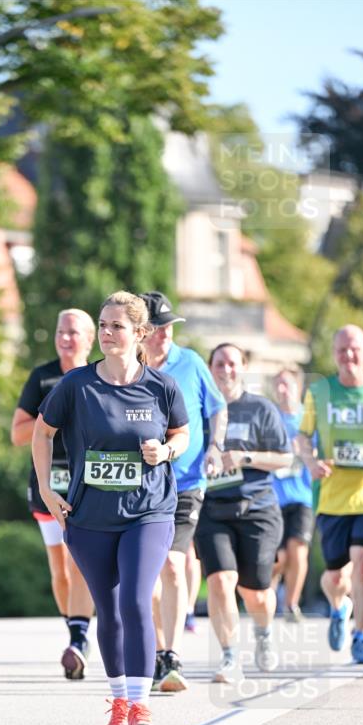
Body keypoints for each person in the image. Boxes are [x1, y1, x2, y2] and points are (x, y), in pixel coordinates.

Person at [32, 291, 189, 725]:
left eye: (116, 326)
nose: (106, 333)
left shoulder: (161, 386)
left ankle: (141, 708)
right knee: (109, 610)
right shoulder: (78, 385)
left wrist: (165, 451)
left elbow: (182, 433)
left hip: (149, 511)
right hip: (90, 517)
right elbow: (42, 434)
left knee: (136, 600)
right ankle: (119, 704)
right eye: (102, 325)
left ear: (140, 334)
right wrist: (47, 488)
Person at [297, 325, 363, 664]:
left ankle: (360, 636)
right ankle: (338, 606)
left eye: (355, 348)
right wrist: (311, 461)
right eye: (342, 349)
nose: (349, 356)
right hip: (331, 498)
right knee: (334, 578)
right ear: (334, 354)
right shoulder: (321, 392)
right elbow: (302, 437)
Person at [139, 290, 226, 692]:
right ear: (142, 331)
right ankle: (158, 650)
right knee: (146, 578)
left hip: (187, 481)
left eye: (170, 327)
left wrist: (215, 445)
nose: (166, 335)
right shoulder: (126, 369)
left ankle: (170, 655)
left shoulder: (189, 363)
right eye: (159, 328)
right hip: (139, 484)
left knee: (173, 565)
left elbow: (217, 407)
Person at [195, 343, 293, 683]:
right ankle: (229, 657)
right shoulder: (197, 409)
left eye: (233, 363)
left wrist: (244, 458)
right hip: (211, 508)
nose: (226, 369)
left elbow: (285, 459)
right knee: (221, 581)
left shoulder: (260, 409)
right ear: (210, 367)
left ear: (243, 367)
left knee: (256, 592)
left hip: (257, 509)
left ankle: (264, 633)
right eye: (219, 362)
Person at [11, 309, 95, 679]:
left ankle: (79, 639)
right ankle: (73, 630)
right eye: (61, 331)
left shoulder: (98, 376)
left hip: (86, 482)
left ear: (90, 339)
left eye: (74, 332)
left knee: (78, 562)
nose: (65, 338)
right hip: (46, 482)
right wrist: (54, 420)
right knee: (59, 569)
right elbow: (17, 433)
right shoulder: (42, 377)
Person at [270, 368, 314, 621]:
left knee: (298, 550)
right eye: (278, 384)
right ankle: (268, 600)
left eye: (286, 384)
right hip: (273, 498)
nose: (282, 389)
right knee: (277, 559)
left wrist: (306, 450)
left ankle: (291, 605)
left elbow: (321, 454)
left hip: (302, 497)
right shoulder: (270, 417)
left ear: (298, 387)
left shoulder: (308, 420)